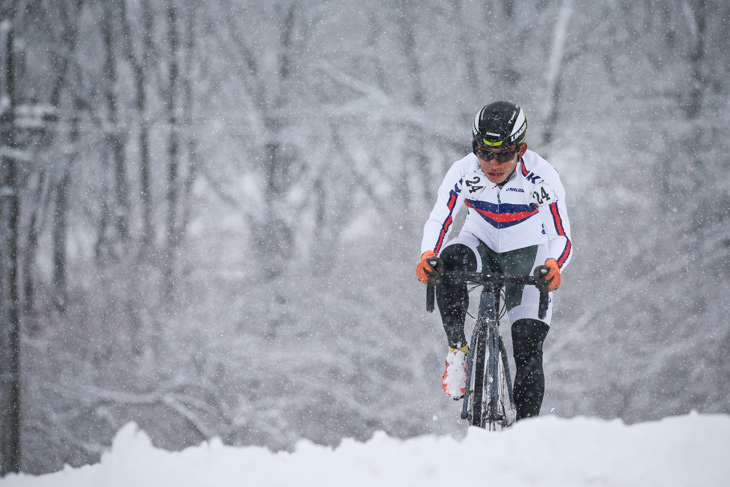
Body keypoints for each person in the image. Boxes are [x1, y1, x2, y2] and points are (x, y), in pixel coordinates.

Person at [416, 101, 572, 420]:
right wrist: (427, 254)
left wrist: (555, 264)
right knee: (449, 261)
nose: (493, 163)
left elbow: (561, 235)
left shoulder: (539, 177)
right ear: (474, 148)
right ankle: (458, 349)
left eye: (503, 154)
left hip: (528, 254)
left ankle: (524, 436)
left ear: (521, 149)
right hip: (481, 241)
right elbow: (440, 217)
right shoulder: (465, 172)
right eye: (484, 152)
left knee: (528, 350)